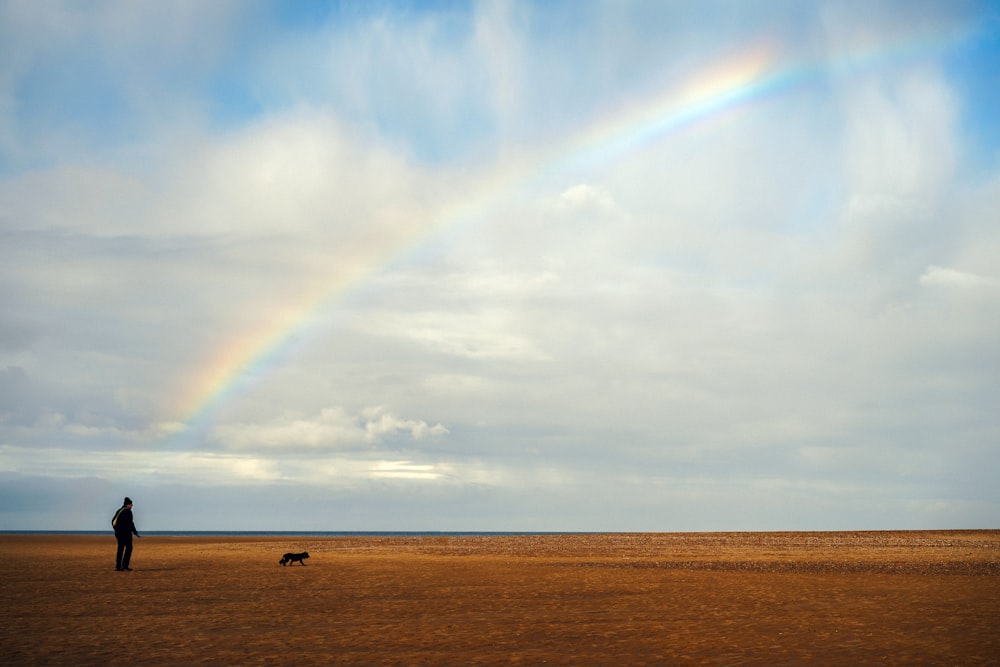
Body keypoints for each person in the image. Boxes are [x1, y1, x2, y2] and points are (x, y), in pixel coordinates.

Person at [112, 497, 140, 571]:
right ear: (128, 505)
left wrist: (116, 530)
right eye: (131, 504)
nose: (132, 506)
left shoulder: (119, 510)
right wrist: (135, 532)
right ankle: (125, 565)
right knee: (129, 548)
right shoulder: (128, 511)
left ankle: (118, 566)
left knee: (120, 548)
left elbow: (113, 521)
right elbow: (130, 523)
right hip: (125, 533)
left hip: (118, 533)